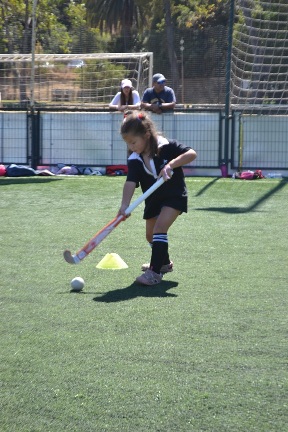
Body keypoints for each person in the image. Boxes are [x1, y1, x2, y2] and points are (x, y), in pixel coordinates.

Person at [118, 110, 197, 286]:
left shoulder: (166, 146)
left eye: (133, 142)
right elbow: (130, 182)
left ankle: (154, 273)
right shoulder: (135, 158)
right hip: (153, 200)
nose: (131, 146)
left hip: (174, 195)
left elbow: (192, 154)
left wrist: (171, 165)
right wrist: (124, 206)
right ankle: (164, 264)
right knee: (150, 236)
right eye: (128, 143)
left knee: (159, 229)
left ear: (146, 135)